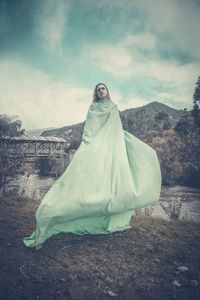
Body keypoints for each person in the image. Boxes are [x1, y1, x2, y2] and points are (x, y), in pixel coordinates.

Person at [23, 83, 162, 248]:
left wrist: (117, 144)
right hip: (95, 146)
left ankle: (107, 216)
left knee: (116, 182)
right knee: (82, 177)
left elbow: (115, 128)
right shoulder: (93, 108)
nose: (101, 91)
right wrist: (88, 144)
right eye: (98, 89)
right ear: (96, 93)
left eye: (103, 88)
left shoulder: (113, 107)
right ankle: (52, 214)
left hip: (111, 146)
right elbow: (90, 128)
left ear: (108, 91)